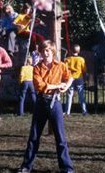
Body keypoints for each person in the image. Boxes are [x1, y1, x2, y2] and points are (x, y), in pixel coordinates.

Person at [18, 40, 74, 173]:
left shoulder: (60, 65)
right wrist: (57, 85)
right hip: (41, 102)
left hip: (56, 103)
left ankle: (67, 168)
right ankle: (26, 166)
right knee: (34, 136)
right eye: (43, 51)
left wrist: (65, 87)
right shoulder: (36, 68)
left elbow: (70, 77)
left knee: (60, 137)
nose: (46, 53)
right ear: (40, 53)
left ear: (53, 52)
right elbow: (41, 86)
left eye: (48, 50)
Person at [64, 44, 88, 116]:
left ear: (71, 50)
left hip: (70, 78)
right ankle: (84, 111)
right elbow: (84, 70)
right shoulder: (81, 59)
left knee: (69, 95)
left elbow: (65, 69)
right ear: (79, 51)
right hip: (79, 77)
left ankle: (67, 112)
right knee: (81, 95)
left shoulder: (67, 59)